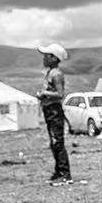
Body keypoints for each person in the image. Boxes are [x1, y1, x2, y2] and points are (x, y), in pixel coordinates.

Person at [36, 43, 73, 186]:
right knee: (54, 142)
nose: (43, 59)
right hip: (50, 110)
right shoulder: (51, 73)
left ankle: (65, 173)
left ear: (53, 58)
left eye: (46, 56)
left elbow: (60, 94)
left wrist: (44, 93)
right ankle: (59, 172)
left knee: (57, 142)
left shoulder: (56, 74)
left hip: (54, 111)